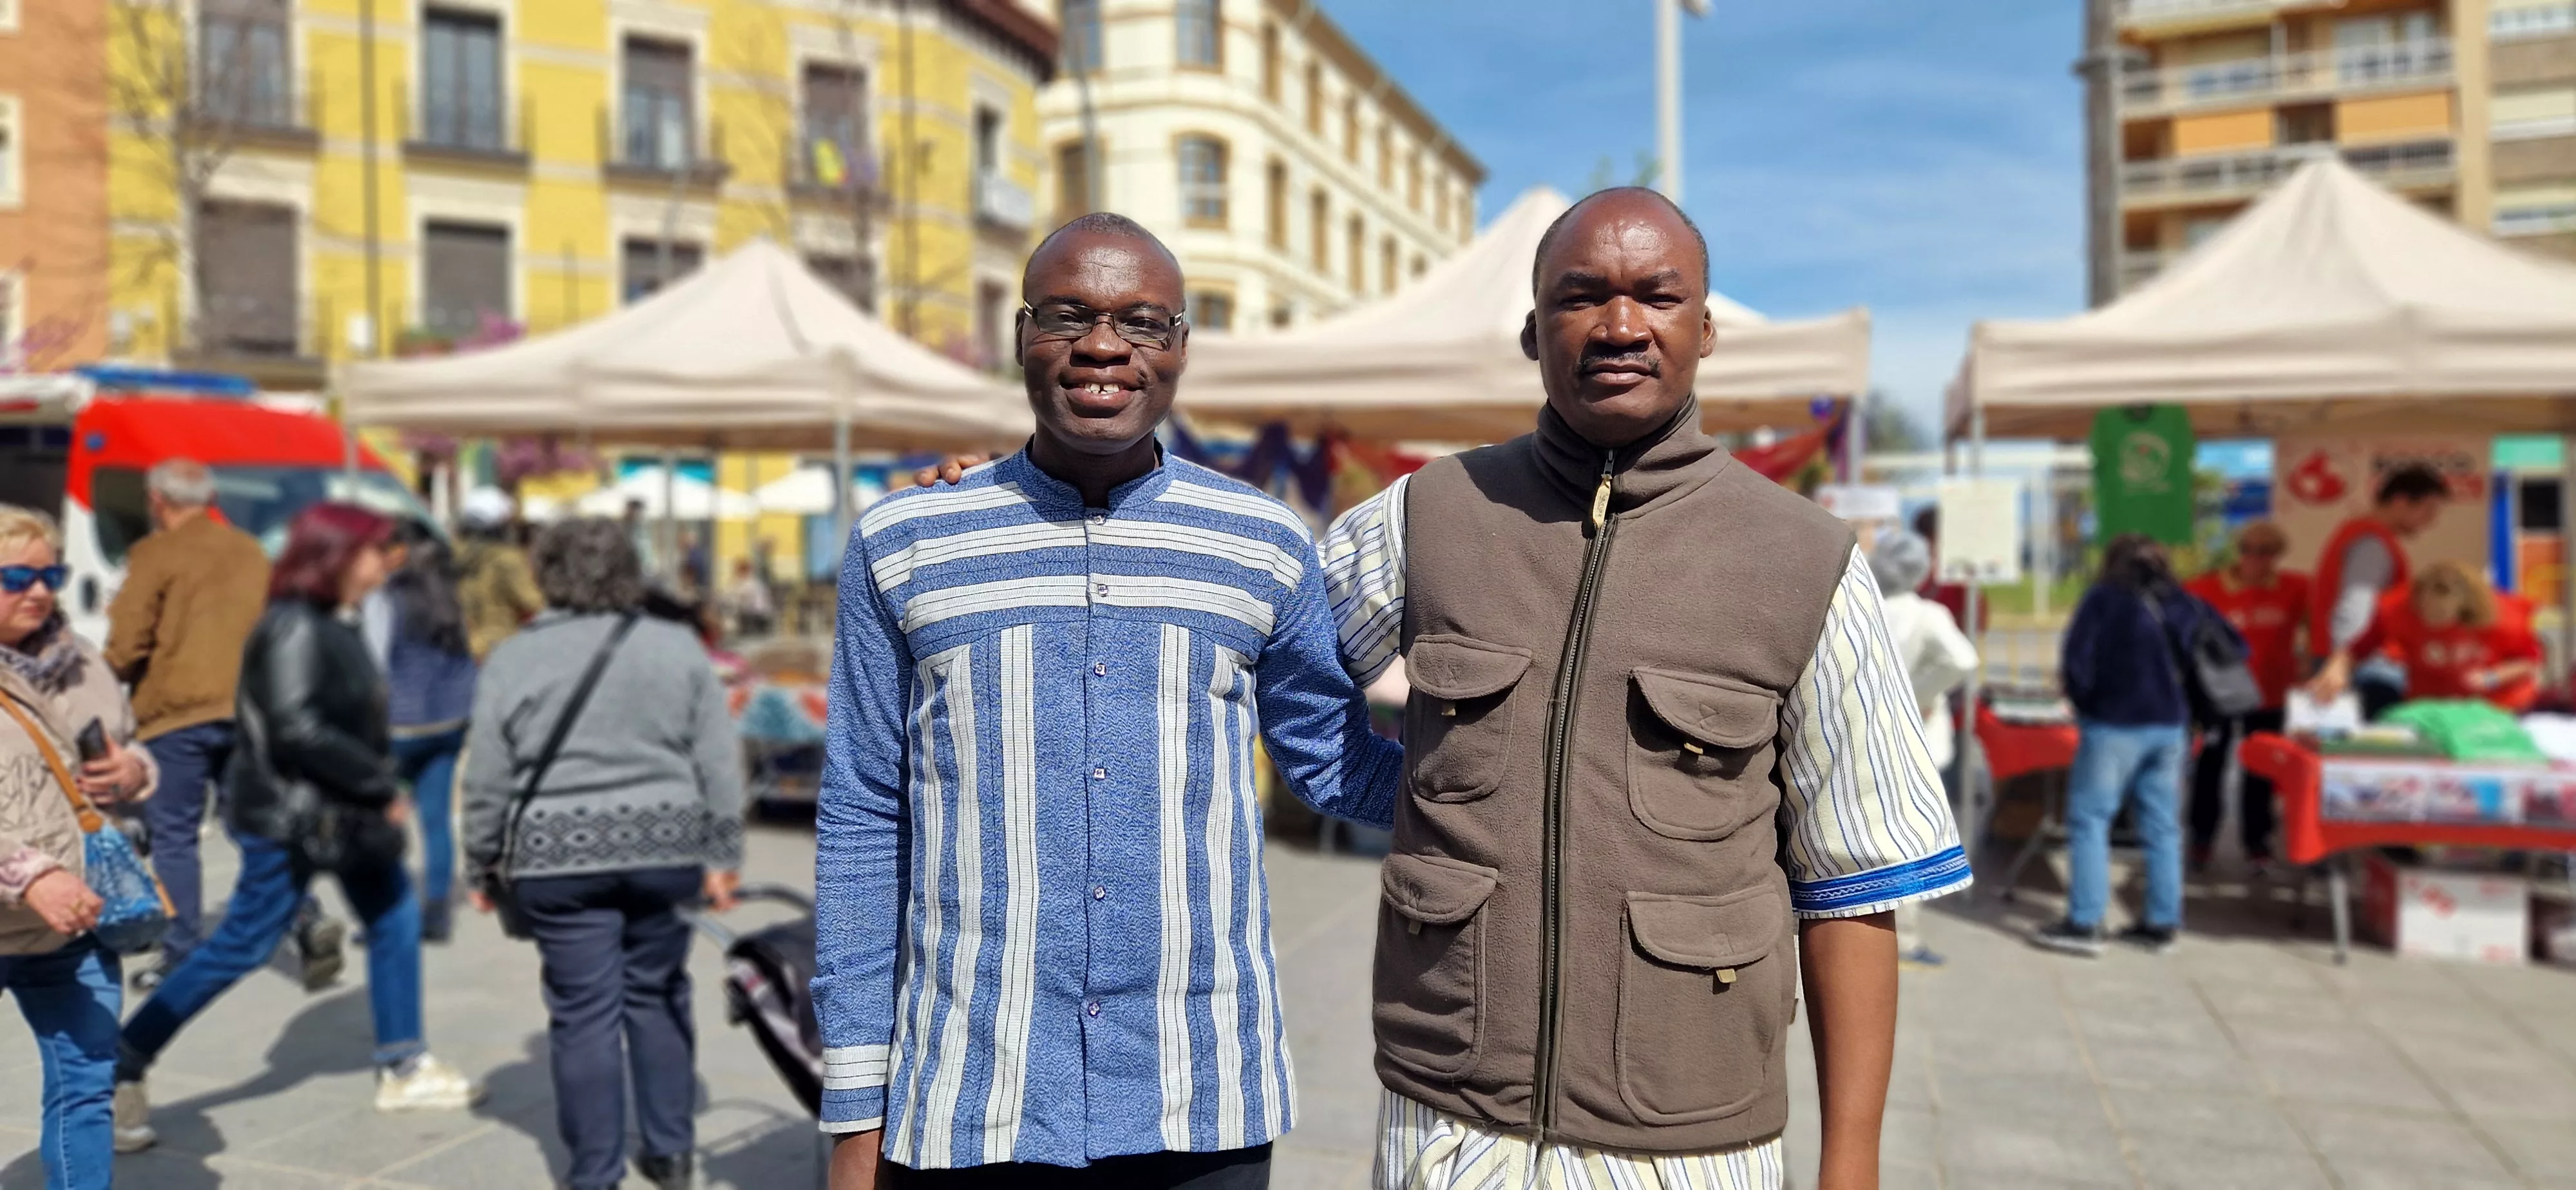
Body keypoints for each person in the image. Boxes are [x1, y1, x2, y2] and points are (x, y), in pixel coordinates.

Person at [1323, 189, 1967, 1190]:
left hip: (1686, 1142)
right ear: (1536, 330)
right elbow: (1270, 656)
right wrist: (1396, 794)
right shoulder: (1431, 514)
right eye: (1583, 297)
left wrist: (1852, 1166)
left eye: (1656, 297)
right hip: (1447, 1126)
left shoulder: (1804, 561)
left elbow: (1856, 879)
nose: (1620, 325)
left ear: (1704, 329)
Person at [817, 213, 1403, 1187]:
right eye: (1067, 316)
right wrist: (853, 1112)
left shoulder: (1260, 543)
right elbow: (865, 817)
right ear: (1020, 338)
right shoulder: (907, 541)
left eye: (1141, 323)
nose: (1102, 347)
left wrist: (1523, 767)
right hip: (972, 1091)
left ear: (1179, 348)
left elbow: (1333, 765)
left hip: (1198, 1094)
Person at [115, 504, 483, 1153]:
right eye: (375, 549)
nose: (386, 560)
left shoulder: (331, 622)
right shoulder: (293, 626)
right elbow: (297, 727)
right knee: (242, 945)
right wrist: (381, 783)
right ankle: (121, 1061)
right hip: (292, 817)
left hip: (341, 813)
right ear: (336, 555)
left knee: (395, 917)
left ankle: (403, 1063)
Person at [462, 517, 747, 1190]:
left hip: (554, 860)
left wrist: (480, 860)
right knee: (657, 995)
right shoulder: (677, 646)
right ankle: (672, 1153)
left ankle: (594, 1173)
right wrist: (723, 854)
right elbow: (717, 760)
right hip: (666, 848)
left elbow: (487, 778)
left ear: (546, 572)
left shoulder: (514, 656)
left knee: (582, 1012)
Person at [1, 504, 156, 1190]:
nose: (39, 591)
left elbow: (133, 745)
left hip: (75, 920)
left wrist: (135, 771)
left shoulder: (81, 659)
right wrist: (28, 872)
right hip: (31, 896)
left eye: (50, 573)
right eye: (14, 576)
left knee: (86, 1090)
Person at [102, 457, 299, 989]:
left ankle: (182, 948)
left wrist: (107, 676)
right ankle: (304, 914)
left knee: (174, 834)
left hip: (176, 712)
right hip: (248, 708)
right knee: (254, 820)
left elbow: (128, 638)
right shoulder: (250, 551)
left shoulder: (155, 554)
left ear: (157, 500)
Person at [2038, 534, 2239, 958]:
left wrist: (2086, 705)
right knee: (2162, 826)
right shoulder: (2185, 602)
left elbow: (2076, 661)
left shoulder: (2103, 600)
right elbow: (2235, 647)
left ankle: (2085, 922)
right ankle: (2161, 923)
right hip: (2172, 727)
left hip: (2114, 724)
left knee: (2090, 820)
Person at [1869, 529, 1978, 969]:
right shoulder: (1927, 615)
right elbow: (1963, 660)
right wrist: (1918, 694)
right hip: (1917, 741)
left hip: (1871, 735)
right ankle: (1905, 939)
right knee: (1911, 840)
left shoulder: (1864, 605)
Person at [364, 520, 477, 943]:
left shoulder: (387, 597)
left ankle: (387, 912)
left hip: (400, 725)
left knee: (385, 820)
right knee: (436, 821)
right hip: (448, 723)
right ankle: (438, 913)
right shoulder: (451, 597)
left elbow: (373, 662)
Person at [2183, 521, 2311, 872]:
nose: (2255, 559)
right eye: (2248, 550)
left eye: (2265, 552)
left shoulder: (2296, 587)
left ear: (2278, 556)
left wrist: (2309, 665)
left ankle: (2258, 843)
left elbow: (2319, 628)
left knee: (2261, 771)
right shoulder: (2203, 588)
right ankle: (2201, 840)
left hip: (2269, 694)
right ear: (2237, 551)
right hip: (2218, 695)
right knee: (2209, 766)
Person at [2311, 560, 2543, 712]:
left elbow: (2530, 663)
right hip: (2430, 706)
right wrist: (2336, 668)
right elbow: (2358, 649)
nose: (2432, 622)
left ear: (2465, 609)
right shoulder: (2396, 610)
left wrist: (2491, 678)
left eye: (2441, 615)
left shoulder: (2503, 617)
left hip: (2496, 706)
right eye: (2425, 613)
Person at [2312, 464, 2450, 717]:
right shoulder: (2372, 544)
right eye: (2428, 510)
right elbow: (2355, 604)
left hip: (2353, 661)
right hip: (2366, 666)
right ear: (2400, 502)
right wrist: (2343, 662)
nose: (2431, 521)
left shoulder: (2358, 535)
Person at [455, 487, 546, 661]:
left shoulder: (452, 555)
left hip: (465, 646)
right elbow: (533, 603)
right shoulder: (506, 559)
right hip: (500, 646)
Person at [724, 557, 775, 639]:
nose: (736, 573)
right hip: (754, 611)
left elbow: (743, 599)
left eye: (737, 571)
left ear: (743, 571)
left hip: (757, 614)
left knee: (732, 613)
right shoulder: (750, 581)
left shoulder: (751, 583)